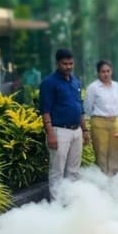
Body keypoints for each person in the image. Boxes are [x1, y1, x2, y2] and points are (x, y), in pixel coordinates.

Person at [40, 48, 89, 195]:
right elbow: (45, 111)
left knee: (73, 172)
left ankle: (70, 206)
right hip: (59, 131)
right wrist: (50, 134)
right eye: (64, 64)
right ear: (57, 63)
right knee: (57, 172)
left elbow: (79, 107)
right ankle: (57, 209)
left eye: (71, 63)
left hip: (77, 131)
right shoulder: (49, 83)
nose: (68, 66)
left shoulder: (75, 82)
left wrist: (85, 130)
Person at [85, 59, 118, 175]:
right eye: (103, 72)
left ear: (112, 71)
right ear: (98, 73)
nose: (106, 74)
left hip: (115, 122)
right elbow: (87, 108)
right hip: (99, 122)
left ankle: (115, 183)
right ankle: (103, 184)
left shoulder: (116, 85)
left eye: (108, 71)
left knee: (115, 153)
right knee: (101, 154)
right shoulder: (93, 87)